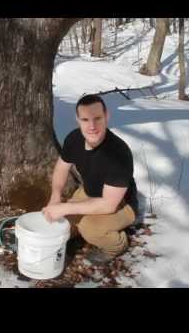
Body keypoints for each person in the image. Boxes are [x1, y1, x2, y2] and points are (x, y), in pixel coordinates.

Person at [42, 94, 139, 263]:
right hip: (89, 192)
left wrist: (65, 208)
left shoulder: (118, 154)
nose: (92, 126)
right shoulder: (74, 139)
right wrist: (55, 196)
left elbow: (109, 205)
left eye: (97, 118)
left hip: (122, 204)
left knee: (90, 228)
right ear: (78, 119)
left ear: (106, 116)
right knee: (58, 219)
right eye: (85, 120)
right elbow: (61, 168)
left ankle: (117, 245)